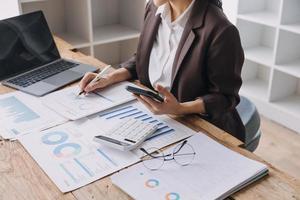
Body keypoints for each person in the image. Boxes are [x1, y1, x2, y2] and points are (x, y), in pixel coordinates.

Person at [79, 0, 246, 142]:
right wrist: (109, 78)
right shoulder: (154, 8)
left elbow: (224, 97)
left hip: (202, 127)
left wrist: (180, 109)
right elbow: (142, 58)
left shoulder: (222, 31)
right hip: (157, 118)